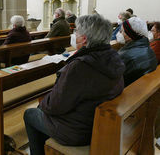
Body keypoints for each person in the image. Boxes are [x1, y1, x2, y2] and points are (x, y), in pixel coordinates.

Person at [24, 14, 125, 155]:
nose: (74, 34)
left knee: (30, 114)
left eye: (76, 31)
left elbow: (56, 105)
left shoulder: (80, 66)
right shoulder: (113, 57)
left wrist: (43, 105)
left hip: (77, 131)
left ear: (84, 39)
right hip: (97, 124)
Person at [116, 17, 157, 87]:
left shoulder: (125, 56)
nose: (120, 33)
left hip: (129, 93)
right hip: (143, 87)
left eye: (122, 31)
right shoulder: (149, 49)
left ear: (130, 34)